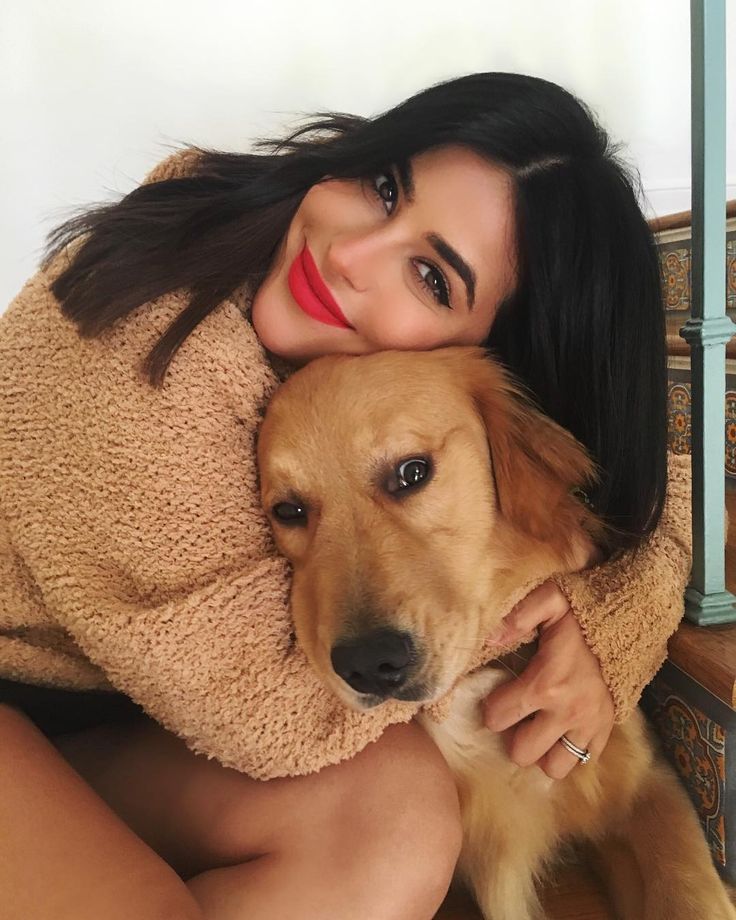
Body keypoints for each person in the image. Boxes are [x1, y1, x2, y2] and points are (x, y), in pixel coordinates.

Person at [0, 72, 691, 920]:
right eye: (385, 186)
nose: (349, 255)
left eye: (433, 278)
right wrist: (568, 605)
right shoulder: (136, 351)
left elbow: (647, 486)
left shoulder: (369, 380)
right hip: (37, 698)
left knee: (391, 823)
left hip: (108, 722)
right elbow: (261, 715)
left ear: (491, 345)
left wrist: (608, 617)